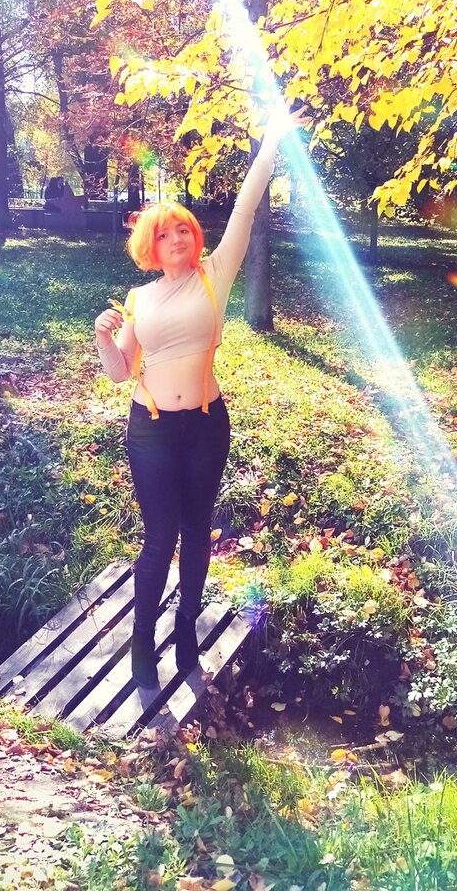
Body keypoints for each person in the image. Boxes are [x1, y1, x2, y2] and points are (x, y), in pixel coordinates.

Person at [94, 106, 311, 687]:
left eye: (183, 230)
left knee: (196, 530)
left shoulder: (215, 273)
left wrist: (272, 141)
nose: (176, 239)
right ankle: (143, 640)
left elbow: (246, 205)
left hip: (207, 424)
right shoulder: (139, 299)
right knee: (159, 536)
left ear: (195, 238)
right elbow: (120, 373)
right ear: (150, 245)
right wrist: (102, 337)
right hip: (152, 428)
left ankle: (186, 627)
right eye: (164, 234)